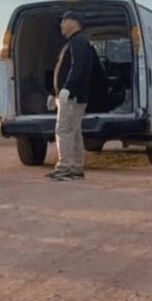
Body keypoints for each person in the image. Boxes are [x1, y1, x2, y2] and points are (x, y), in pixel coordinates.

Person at [45, 11, 93, 181]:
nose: (61, 25)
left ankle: (64, 168)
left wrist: (68, 89)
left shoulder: (78, 42)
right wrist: (54, 92)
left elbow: (77, 67)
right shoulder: (75, 42)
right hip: (72, 95)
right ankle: (76, 168)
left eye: (64, 22)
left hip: (72, 97)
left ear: (74, 22)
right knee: (74, 130)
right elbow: (63, 70)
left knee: (64, 130)